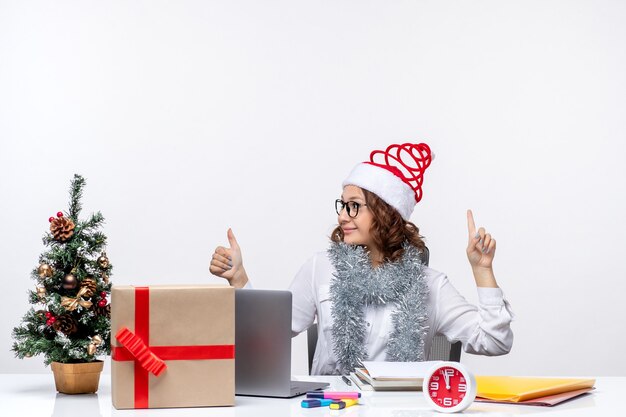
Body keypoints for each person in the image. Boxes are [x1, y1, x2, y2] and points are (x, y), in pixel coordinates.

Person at [209, 143, 514, 375]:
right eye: (342, 205)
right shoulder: (321, 268)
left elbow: (494, 341)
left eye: (354, 206)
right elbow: (268, 332)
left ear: (385, 214)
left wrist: (482, 269)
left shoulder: (430, 285)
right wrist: (238, 278)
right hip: (329, 409)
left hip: (399, 411)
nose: (342, 216)